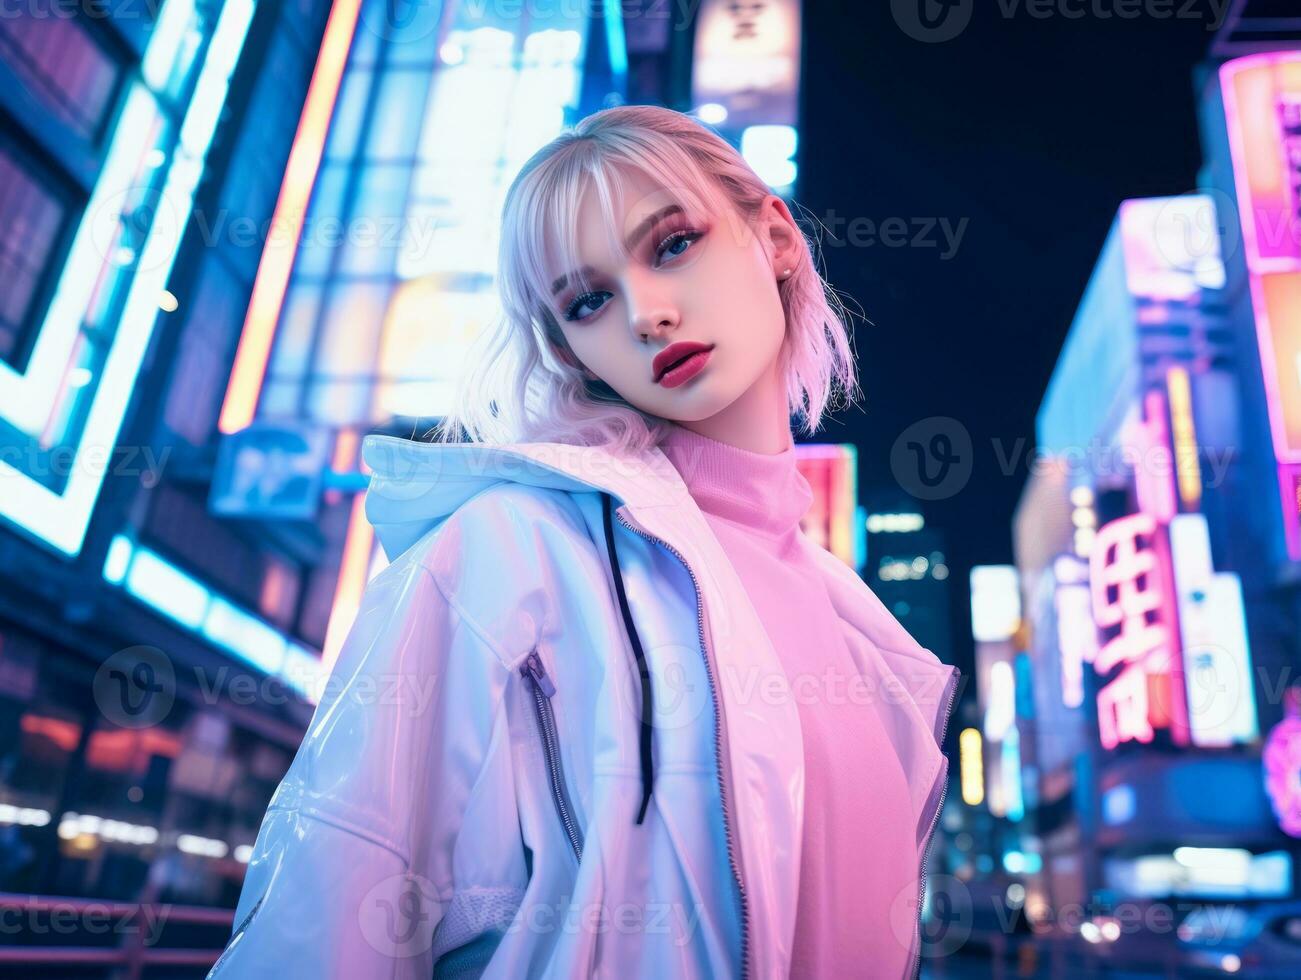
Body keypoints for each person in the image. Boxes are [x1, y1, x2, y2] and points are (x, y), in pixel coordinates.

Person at [208, 105, 958, 980]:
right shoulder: (505, 551)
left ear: (776, 235)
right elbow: (331, 899)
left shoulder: (859, 634)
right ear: (569, 348)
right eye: (588, 300)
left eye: (673, 244)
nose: (645, 313)